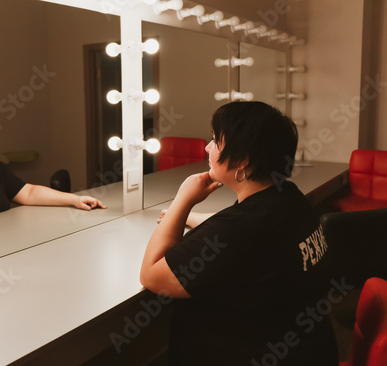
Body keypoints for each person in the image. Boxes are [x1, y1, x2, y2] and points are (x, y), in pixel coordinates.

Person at [140, 102, 338, 365]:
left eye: (214, 141)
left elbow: (151, 276)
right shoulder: (288, 197)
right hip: (305, 347)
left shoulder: (241, 230)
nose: (207, 148)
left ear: (243, 159)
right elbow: (243, 236)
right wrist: (189, 219)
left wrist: (183, 200)